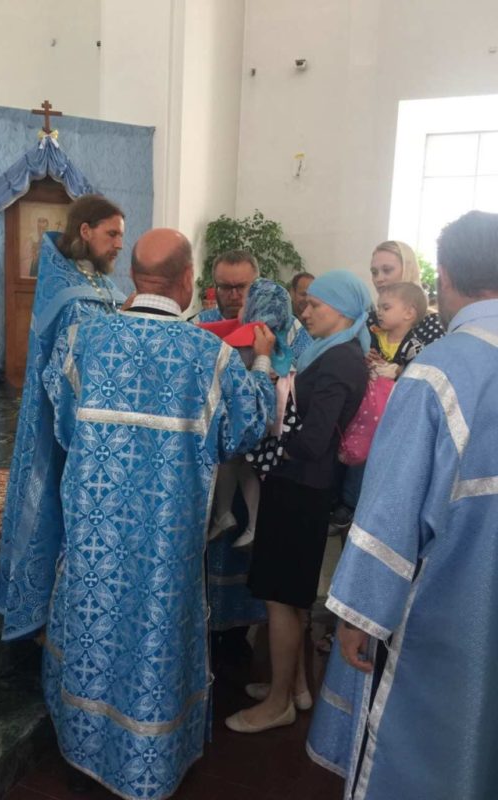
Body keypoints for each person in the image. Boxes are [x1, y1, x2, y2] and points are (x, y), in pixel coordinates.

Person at [39, 228, 276, 799]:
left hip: (94, 532)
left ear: (133, 275)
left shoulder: (83, 339)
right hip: (164, 544)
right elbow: (247, 428)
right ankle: (150, 759)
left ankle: (83, 747)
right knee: (154, 635)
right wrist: (264, 363)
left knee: (93, 626)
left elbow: (62, 425)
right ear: (189, 279)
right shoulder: (209, 355)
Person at [307, 210, 498, 800]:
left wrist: (358, 616)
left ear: (444, 277)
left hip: (451, 611)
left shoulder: (439, 371)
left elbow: (392, 509)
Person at [225, 270, 370, 734]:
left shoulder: (340, 361)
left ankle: (278, 704)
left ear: (343, 310)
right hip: (300, 485)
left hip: (301, 488)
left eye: (316, 305)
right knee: (291, 597)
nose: (305, 312)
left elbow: (312, 440)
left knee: (281, 599)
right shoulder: (332, 352)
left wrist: (273, 442)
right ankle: (294, 686)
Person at [0, 194, 127, 639]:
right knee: (52, 502)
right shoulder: (69, 293)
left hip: (96, 416)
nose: (120, 244)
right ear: (85, 231)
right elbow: (68, 364)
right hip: (66, 419)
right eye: (112, 234)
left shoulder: (97, 283)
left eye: (121, 235)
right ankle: (43, 603)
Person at [329, 240, 444, 536]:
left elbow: (435, 372)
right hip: (366, 416)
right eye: (374, 271)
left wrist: (398, 369)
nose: (379, 278)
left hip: (407, 420)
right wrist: (361, 356)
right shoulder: (371, 318)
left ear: (408, 268)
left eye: (387, 270)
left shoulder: (432, 322)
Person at [204, 279, 297, 548]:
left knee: (232, 460)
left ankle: (226, 514)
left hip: (250, 414)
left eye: (246, 301)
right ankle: (244, 522)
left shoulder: (250, 338)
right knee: (248, 467)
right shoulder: (277, 337)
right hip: (274, 415)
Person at [369, 281, 428, 378]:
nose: (379, 313)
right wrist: (366, 354)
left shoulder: (413, 347)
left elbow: (418, 374)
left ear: (408, 313)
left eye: (386, 308)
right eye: (378, 308)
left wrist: (398, 371)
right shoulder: (374, 335)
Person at [195, 250, 259, 322]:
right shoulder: (198, 325)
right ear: (215, 288)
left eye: (241, 287)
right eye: (225, 287)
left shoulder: (268, 323)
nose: (234, 297)